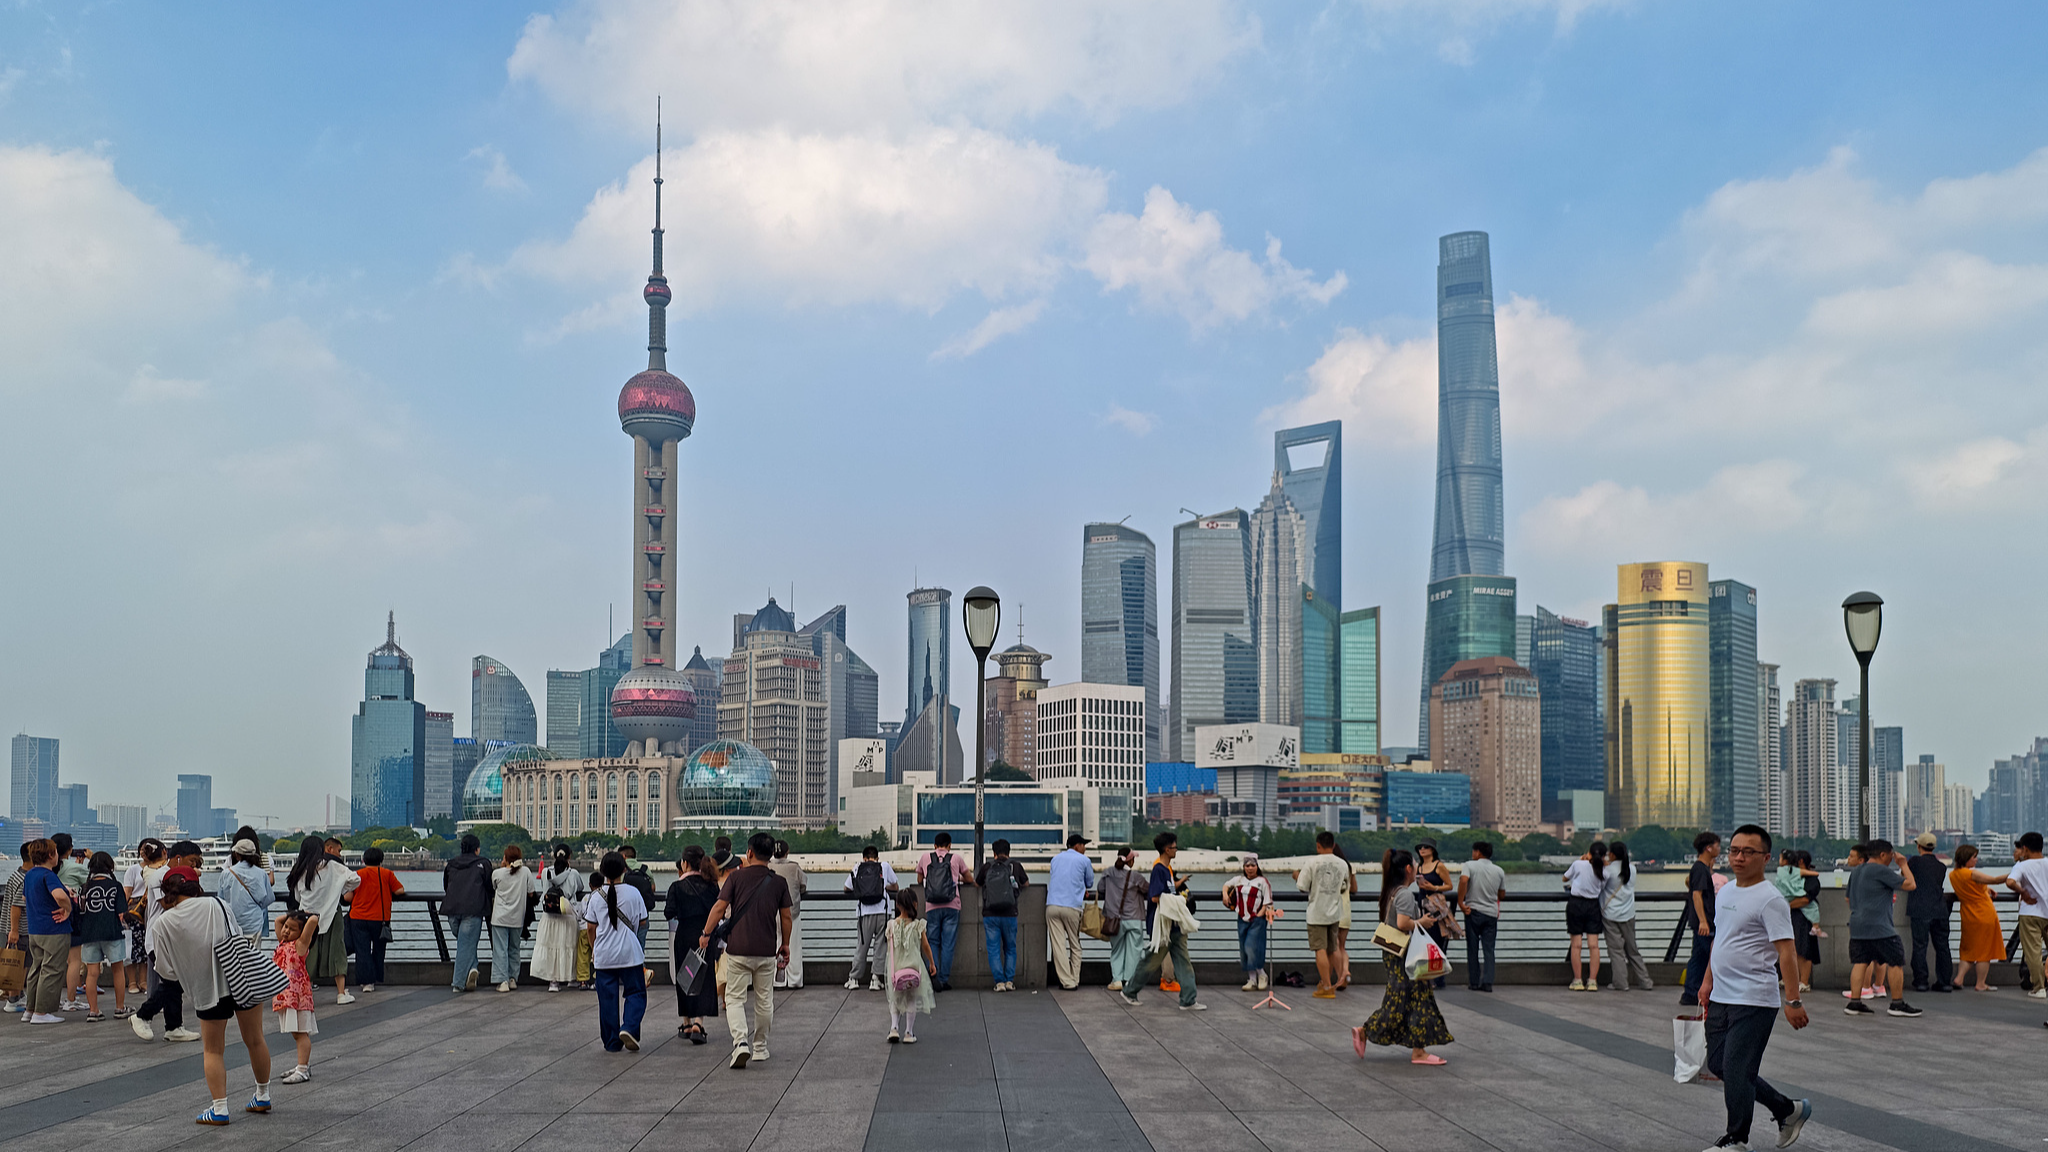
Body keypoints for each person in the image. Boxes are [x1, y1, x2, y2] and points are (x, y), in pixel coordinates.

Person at [1697, 824, 1812, 1152]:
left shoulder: (1770, 899)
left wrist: (1792, 1000)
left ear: (1766, 858)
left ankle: (1736, 1139)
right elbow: (1721, 939)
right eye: (1734, 850)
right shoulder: (1727, 892)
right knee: (1720, 1065)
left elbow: (1786, 951)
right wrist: (1707, 981)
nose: (1739, 857)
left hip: (1754, 998)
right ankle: (1787, 1109)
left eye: (1748, 852)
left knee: (1736, 1068)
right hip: (1721, 995)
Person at [147, 867, 276, 1125]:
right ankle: (262, 1095)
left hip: (206, 988)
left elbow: (165, 969)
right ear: (196, 886)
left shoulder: (162, 924)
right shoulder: (216, 904)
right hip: (241, 978)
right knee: (255, 1039)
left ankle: (219, 1109)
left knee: (213, 1050)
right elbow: (236, 935)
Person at [699, 832, 792, 1069]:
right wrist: (786, 944)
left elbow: (719, 908)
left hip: (738, 949)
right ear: (771, 854)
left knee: (734, 999)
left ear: (749, 853)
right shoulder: (779, 882)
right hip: (766, 950)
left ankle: (741, 1042)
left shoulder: (736, 878)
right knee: (764, 1001)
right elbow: (786, 916)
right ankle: (760, 1047)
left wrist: (706, 934)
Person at [1354, 849, 1452, 1065]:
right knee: (1408, 1000)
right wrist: (1423, 922)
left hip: (1394, 952)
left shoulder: (1393, 890)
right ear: (1408, 869)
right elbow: (1402, 923)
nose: (1417, 867)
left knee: (1409, 999)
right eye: (1415, 864)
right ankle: (1369, 1032)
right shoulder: (1405, 894)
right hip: (1404, 954)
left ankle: (1416, 1049)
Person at [1118, 831, 1203, 1010]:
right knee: (1151, 960)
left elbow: (1168, 893)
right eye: (1174, 847)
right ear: (1166, 849)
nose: (1176, 850)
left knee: (1183, 961)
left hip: (1174, 924)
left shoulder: (1167, 870)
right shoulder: (1159, 870)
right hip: (1163, 925)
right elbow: (1155, 897)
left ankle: (1188, 999)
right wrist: (1179, 901)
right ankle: (1129, 991)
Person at [1845, 838, 1922, 1018]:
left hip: (1857, 925)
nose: (1891, 858)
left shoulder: (1856, 872)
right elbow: (1911, 884)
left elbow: (1848, 898)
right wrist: (1903, 864)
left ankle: (1854, 1002)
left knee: (1860, 962)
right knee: (1895, 961)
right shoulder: (1881, 870)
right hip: (1880, 926)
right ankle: (1897, 1003)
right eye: (1890, 855)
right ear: (1882, 854)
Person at [584, 851, 649, 1052]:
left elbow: (590, 928)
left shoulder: (595, 897)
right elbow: (642, 921)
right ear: (624, 869)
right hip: (630, 954)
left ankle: (612, 1042)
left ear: (602, 871)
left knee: (607, 1000)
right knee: (636, 993)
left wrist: (595, 949)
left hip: (604, 956)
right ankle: (629, 1026)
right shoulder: (633, 893)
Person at [286, 838, 358, 1005]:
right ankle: (341, 994)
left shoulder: (299, 869)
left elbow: (297, 896)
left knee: (306, 954)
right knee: (337, 952)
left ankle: (304, 993)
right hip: (332, 914)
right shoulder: (332, 866)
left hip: (306, 918)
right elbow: (355, 879)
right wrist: (338, 889)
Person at [665, 846, 722, 1042]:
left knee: (685, 977)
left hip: (684, 936)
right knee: (705, 979)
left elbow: (668, 913)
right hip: (705, 936)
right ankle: (699, 1022)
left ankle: (687, 1022)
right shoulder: (712, 886)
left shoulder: (676, 887)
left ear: (685, 863)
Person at [19, 839, 74, 1024]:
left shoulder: (29, 875)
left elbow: (25, 897)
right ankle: (42, 1012)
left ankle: (30, 1009)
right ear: (51, 856)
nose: (58, 855)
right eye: (56, 852)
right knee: (52, 969)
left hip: (35, 929)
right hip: (53, 929)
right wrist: (68, 908)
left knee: (36, 968)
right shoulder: (48, 875)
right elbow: (58, 896)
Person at [1296, 831, 1353, 999]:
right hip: (1335, 912)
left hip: (1316, 913)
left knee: (1319, 949)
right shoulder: (1342, 864)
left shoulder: (1312, 862)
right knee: (1330, 949)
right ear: (1333, 845)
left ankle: (1327, 986)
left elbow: (1302, 886)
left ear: (1318, 845)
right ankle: (1326, 982)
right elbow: (1344, 887)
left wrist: (1296, 876)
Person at [916, 832, 974, 992]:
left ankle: (933, 977)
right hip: (952, 905)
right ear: (949, 845)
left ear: (934, 846)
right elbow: (969, 879)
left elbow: (920, 880)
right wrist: (957, 879)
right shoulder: (956, 858)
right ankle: (943, 980)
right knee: (948, 944)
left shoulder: (925, 857)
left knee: (932, 942)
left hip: (932, 906)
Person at [1949, 844, 2008, 991]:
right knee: (1984, 952)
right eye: (1974, 857)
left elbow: (1970, 887)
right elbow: (1995, 879)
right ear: (1966, 858)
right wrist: (2016, 873)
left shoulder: (1953, 874)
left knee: (1968, 949)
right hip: (1983, 913)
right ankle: (1980, 983)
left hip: (1967, 914)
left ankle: (1959, 978)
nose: (1976, 860)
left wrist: (1985, 889)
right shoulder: (1972, 874)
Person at [347, 846, 404, 993]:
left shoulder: (357, 875)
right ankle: (376, 977)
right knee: (379, 950)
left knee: (362, 950)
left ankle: (366, 982)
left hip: (358, 917)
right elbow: (399, 890)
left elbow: (348, 897)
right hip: (380, 918)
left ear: (364, 860)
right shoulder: (387, 874)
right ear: (381, 860)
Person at [975, 839, 1029, 991]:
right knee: (1010, 948)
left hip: (990, 914)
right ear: (1009, 852)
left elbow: (977, 884)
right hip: (1010, 913)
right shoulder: (1015, 866)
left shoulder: (987, 867)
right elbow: (1026, 884)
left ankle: (999, 983)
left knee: (993, 949)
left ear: (994, 853)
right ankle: (1009, 981)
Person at [270, 910, 317, 1083]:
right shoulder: (283, 942)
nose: (285, 930)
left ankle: (303, 1068)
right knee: (296, 1033)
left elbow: (312, 921)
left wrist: (307, 914)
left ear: (301, 932)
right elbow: (277, 921)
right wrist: (294, 914)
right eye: (286, 927)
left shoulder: (300, 945)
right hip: (286, 997)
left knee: (301, 1033)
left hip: (298, 997)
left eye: (291, 929)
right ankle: (302, 1064)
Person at [1904, 832, 1955, 993]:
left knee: (1920, 946)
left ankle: (1921, 981)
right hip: (1940, 909)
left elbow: (1905, 878)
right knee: (1943, 947)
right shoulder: (1941, 866)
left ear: (1919, 846)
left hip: (1920, 909)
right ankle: (1945, 982)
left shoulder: (1914, 862)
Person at [533, 845, 588, 992]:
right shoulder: (574, 873)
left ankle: (553, 982)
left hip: (549, 916)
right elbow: (580, 888)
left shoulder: (545, 872)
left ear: (554, 855)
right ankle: (570, 978)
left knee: (552, 948)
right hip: (567, 914)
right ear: (569, 856)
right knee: (568, 947)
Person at [441, 832, 491, 993]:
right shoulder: (483, 863)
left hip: (452, 909)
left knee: (464, 943)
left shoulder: (452, 863)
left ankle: (472, 969)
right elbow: (490, 887)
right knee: (466, 943)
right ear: (477, 849)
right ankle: (458, 983)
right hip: (473, 909)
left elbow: (446, 885)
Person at [843, 845, 898, 991]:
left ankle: (854, 978)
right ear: (877, 857)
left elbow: (846, 888)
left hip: (864, 912)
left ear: (864, 857)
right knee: (881, 946)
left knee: (862, 946)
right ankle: (875, 979)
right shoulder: (884, 866)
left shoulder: (858, 867)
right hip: (883, 912)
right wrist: (883, 887)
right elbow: (896, 886)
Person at [886, 887, 937, 1043]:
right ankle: (909, 1032)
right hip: (913, 966)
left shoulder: (891, 924)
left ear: (897, 905)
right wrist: (932, 962)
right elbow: (926, 946)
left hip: (896, 968)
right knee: (911, 1000)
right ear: (915, 904)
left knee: (895, 999)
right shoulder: (918, 925)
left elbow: (889, 948)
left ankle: (894, 1028)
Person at [1042, 833, 1093, 990]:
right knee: (1075, 944)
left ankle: (1066, 981)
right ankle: (1074, 979)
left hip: (1052, 905)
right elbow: (1090, 882)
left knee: (1058, 946)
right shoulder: (1084, 860)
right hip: (1072, 906)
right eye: (1083, 845)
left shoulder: (1055, 859)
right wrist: (1082, 888)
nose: (1085, 848)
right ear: (1077, 846)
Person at [1679, 831, 1723, 1007]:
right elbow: (1697, 895)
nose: (1720, 849)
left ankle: (1691, 992)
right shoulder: (1699, 868)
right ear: (1708, 848)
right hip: (1704, 922)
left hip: (1703, 921)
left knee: (1699, 956)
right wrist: (1703, 920)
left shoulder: (1702, 868)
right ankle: (1692, 992)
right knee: (1705, 957)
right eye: (1717, 846)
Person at [122, 838, 169, 998]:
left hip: (148, 911)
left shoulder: (157, 869)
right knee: (133, 949)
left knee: (144, 950)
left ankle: (144, 981)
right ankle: (133, 982)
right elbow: (127, 892)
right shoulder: (135, 870)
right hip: (136, 912)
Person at [1458, 840, 1506, 993]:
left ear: (1478, 852)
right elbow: (1502, 894)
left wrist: (1460, 901)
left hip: (1473, 911)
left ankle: (1473, 981)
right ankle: (1488, 982)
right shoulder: (1499, 870)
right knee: (1489, 949)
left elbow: (1463, 880)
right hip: (1491, 913)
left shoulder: (1469, 865)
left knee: (1473, 948)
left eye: (1474, 851)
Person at [1099, 848, 1150, 992]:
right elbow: (1148, 889)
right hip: (1134, 918)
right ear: (1131, 860)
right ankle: (1129, 980)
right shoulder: (1136, 876)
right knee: (1134, 951)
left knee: (1117, 950)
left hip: (1114, 919)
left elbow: (1100, 888)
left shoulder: (1108, 873)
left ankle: (1116, 980)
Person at [1222, 854, 1274, 990]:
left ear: (1257, 866)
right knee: (1244, 949)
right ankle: (1252, 979)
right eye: (1247, 866)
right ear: (1243, 867)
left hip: (1256, 919)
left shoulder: (1262, 882)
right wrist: (1225, 895)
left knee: (1251, 947)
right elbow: (1226, 885)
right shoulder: (1239, 880)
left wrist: (1259, 915)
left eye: (1253, 865)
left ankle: (1261, 974)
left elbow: (1267, 901)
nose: (1250, 868)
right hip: (1241, 917)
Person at [2006, 831, 2048, 998]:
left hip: (2030, 913)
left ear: (2025, 848)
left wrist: (2022, 891)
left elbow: (2010, 882)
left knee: (2033, 952)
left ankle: (2039, 988)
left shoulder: (2022, 866)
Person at [1563, 841, 1608, 991]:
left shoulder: (1578, 864)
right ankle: (1592, 981)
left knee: (1576, 945)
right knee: (1594, 946)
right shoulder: (1605, 871)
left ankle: (1577, 980)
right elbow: (1601, 887)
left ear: (1588, 853)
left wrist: (1582, 861)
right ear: (1603, 856)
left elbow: (1564, 878)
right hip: (1593, 906)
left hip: (1576, 904)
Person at [51, 833, 88, 1012]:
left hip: (49, 916)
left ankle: (51, 998)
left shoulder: (46, 869)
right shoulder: (74, 867)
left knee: (52, 961)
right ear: (70, 850)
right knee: (74, 961)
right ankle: (71, 1000)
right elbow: (91, 879)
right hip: (71, 917)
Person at [489, 845, 533, 992]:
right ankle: (513, 978)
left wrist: (503, 867)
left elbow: (492, 888)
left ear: (505, 859)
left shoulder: (497, 873)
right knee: (514, 948)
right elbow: (531, 892)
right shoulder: (525, 872)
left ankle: (502, 981)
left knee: (500, 949)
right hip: (517, 917)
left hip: (500, 917)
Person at [767, 840, 807, 989]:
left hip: (771, 912)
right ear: (787, 851)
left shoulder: (768, 866)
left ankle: (776, 980)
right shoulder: (794, 867)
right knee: (793, 946)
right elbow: (803, 885)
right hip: (791, 912)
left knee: (774, 945)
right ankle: (795, 979)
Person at [220, 838, 274, 943]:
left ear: (236, 854)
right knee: (254, 957)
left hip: (232, 924)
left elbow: (221, 899)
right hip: (254, 924)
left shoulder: (226, 874)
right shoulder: (261, 874)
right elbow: (269, 899)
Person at [619, 844, 658, 965]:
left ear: (624, 856)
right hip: (643, 915)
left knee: (624, 948)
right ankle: (642, 974)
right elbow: (653, 888)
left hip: (624, 917)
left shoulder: (620, 869)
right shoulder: (644, 868)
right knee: (640, 947)